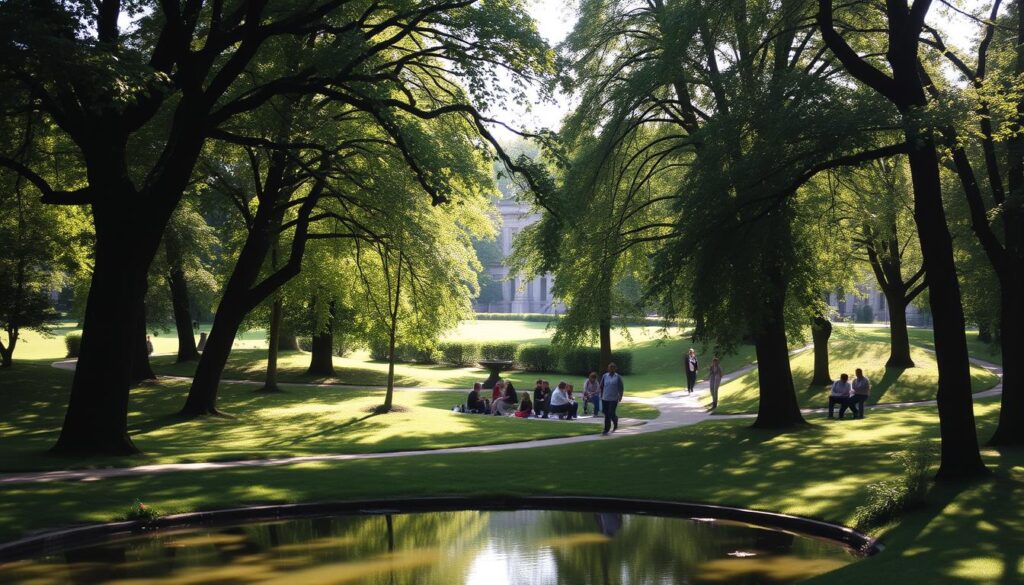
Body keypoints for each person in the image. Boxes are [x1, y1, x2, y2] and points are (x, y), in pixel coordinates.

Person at [600, 362, 624, 435]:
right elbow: (601, 386)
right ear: (608, 369)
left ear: (615, 369)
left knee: (609, 413)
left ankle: (606, 429)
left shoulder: (618, 377)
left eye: (613, 368)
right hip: (605, 398)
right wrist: (600, 395)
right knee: (606, 412)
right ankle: (615, 419)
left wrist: (620, 396)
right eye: (610, 368)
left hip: (613, 398)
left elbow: (621, 387)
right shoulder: (605, 376)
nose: (611, 369)